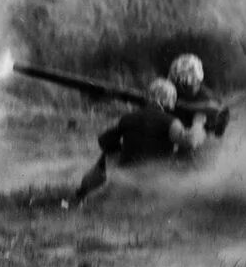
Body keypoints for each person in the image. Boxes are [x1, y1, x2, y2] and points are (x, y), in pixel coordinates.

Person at [73, 78, 207, 202]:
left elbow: (104, 141)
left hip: (125, 179)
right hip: (158, 182)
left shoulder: (128, 118)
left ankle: (82, 192)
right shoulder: (171, 122)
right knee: (186, 153)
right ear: (169, 100)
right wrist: (199, 123)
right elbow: (191, 141)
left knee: (107, 155)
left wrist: (121, 150)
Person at [167, 53, 223, 133]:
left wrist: (185, 105)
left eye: (184, 83)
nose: (179, 85)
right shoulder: (178, 90)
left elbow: (215, 107)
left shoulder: (204, 93)